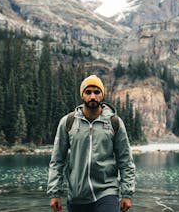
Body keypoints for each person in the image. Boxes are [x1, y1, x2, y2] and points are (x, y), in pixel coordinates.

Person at [47, 74, 136, 212]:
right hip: (77, 195)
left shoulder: (114, 123)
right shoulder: (68, 122)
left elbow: (125, 161)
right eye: (88, 92)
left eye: (97, 92)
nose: (93, 96)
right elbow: (57, 160)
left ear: (102, 94)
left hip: (107, 192)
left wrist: (127, 193)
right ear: (82, 95)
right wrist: (54, 193)